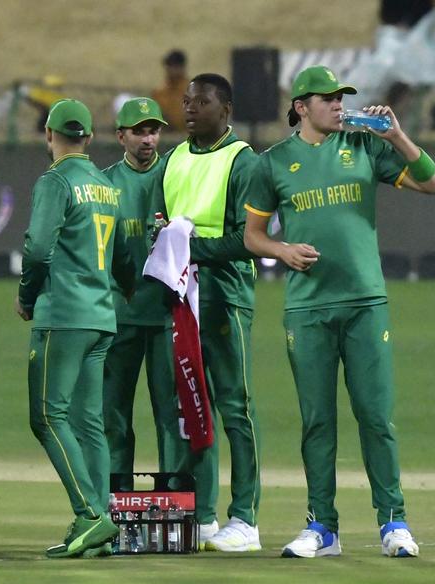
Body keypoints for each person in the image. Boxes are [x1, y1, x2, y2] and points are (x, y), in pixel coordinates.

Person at [242, 65, 435, 559]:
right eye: (327, 98)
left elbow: (433, 182)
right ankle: (322, 528)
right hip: (308, 308)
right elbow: (252, 236)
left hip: (364, 304)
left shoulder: (365, 148)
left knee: (375, 417)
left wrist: (398, 136)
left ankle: (394, 522)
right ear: (300, 107)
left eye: (341, 98)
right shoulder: (272, 164)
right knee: (317, 421)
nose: (338, 105)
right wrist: (282, 251)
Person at [148, 73, 289, 553]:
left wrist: (187, 248)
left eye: (202, 101)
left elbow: (244, 240)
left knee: (235, 406)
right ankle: (201, 515)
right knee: (190, 405)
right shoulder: (171, 160)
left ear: (225, 110)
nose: (190, 108)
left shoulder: (242, 160)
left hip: (224, 296)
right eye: (187, 100)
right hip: (180, 299)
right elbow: (159, 224)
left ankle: (245, 518)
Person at [16, 98, 134, 559]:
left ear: (49, 135)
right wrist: (121, 289)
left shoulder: (56, 180)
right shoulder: (105, 184)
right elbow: (124, 252)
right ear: (88, 136)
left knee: (46, 415)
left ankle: (90, 514)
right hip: (101, 315)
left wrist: (27, 297)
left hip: (63, 315)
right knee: (89, 423)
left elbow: (38, 248)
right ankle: (99, 524)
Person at [99, 97, 177, 493]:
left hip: (168, 315)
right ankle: (116, 503)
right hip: (120, 314)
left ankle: (175, 504)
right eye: (140, 132)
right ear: (121, 136)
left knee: (171, 417)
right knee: (114, 417)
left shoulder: (175, 175)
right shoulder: (105, 184)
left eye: (154, 130)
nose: (149, 139)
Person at [151, 49, 189, 131]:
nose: (171, 70)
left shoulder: (191, 90)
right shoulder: (159, 92)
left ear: (182, 67)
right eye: (169, 66)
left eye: (175, 66)